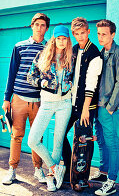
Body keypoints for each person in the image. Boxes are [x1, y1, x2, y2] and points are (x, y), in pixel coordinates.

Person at [2, 13, 50, 185]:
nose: (39, 28)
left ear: (46, 28)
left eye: (43, 25)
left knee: (38, 138)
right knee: (16, 136)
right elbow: (11, 73)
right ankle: (12, 170)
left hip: (39, 101)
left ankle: (38, 170)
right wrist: (6, 99)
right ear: (32, 26)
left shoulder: (49, 49)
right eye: (36, 24)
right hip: (19, 99)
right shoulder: (19, 46)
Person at [27, 25, 73, 192]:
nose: (61, 41)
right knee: (32, 139)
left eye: (64, 38)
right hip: (47, 102)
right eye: (58, 38)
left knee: (58, 142)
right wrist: (42, 82)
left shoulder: (71, 57)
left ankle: (51, 178)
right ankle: (55, 167)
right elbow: (30, 76)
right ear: (54, 39)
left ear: (67, 40)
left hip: (65, 103)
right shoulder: (43, 55)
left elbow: (76, 78)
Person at [89, 19, 119, 196]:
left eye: (104, 34)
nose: (100, 37)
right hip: (98, 105)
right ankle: (104, 172)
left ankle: (112, 181)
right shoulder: (100, 53)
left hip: (109, 107)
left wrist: (110, 107)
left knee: (112, 143)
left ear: (113, 34)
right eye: (98, 34)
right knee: (102, 140)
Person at [62, 17, 102, 182]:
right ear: (73, 34)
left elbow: (91, 84)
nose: (80, 37)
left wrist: (86, 108)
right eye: (77, 34)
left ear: (88, 31)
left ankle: (81, 179)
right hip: (71, 105)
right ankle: (68, 171)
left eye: (83, 33)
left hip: (86, 107)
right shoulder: (74, 49)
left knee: (84, 142)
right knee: (61, 135)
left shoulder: (95, 54)